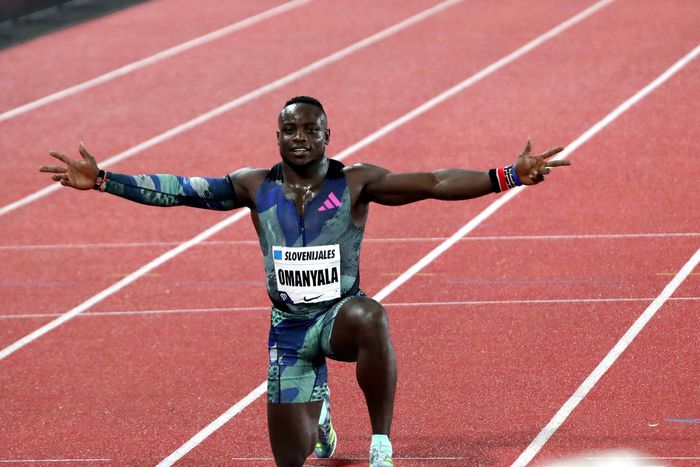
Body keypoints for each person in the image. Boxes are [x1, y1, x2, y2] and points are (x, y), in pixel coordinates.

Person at [40, 96, 569, 467]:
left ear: (326, 136)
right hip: (289, 331)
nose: (300, 138)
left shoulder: (355, 182)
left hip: (338, 316)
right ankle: (320, 418)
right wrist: (105, 180)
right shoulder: (253, 186)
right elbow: (180, 189)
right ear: (277, 137)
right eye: (290, 130)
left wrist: (507, 175)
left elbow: (433, 182)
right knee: (291, 458)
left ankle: (381, 442)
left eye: (311, 130)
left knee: (371, 315)